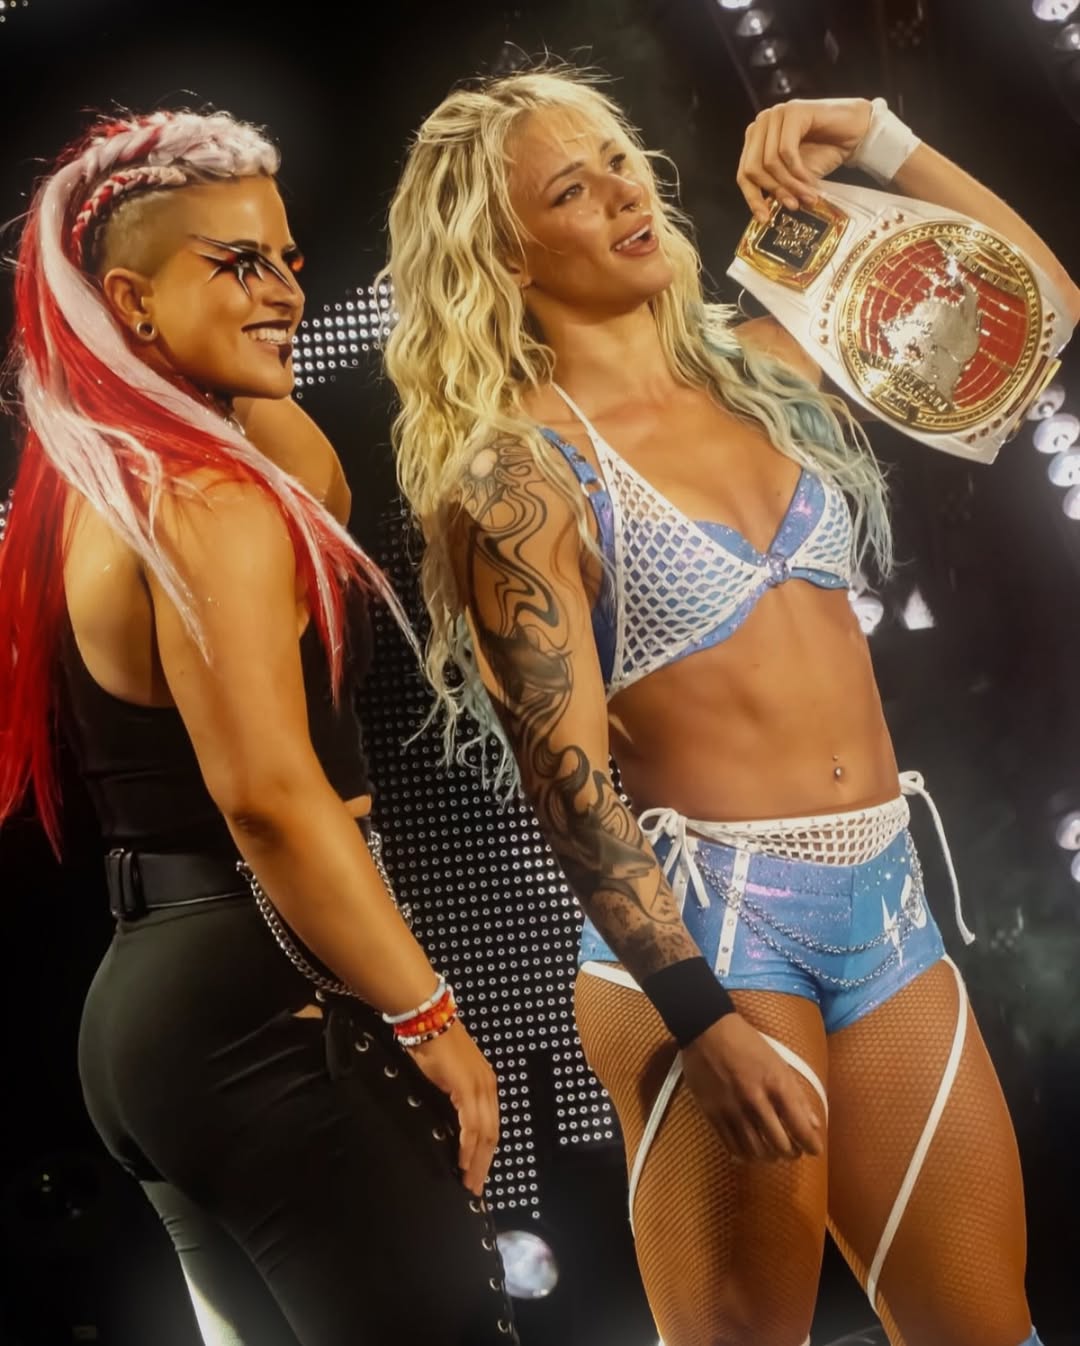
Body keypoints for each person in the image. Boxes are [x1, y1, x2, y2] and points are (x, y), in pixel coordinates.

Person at [381, 67, 1080, 1346]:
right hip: (714, 930)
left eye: (620, 160)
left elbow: (1035, 305)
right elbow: (568, 782)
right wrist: (697, 1015)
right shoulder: (517, 476)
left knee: (989, 1329)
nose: (624, 194)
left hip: (883, 903)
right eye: (572, 189)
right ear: (505, 254)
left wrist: (876, 135)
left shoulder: (770, 363)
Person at [0, 109, 516, 1346]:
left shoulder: (104, 479)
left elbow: (319, 480)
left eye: (287, 259)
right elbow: (271, 798)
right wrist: (431, 1018)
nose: (286, 291)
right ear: (130, 301)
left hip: (159, 1011)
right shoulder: (204, 499)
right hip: (262, 1008)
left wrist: (222, 324)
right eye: (238, 263)